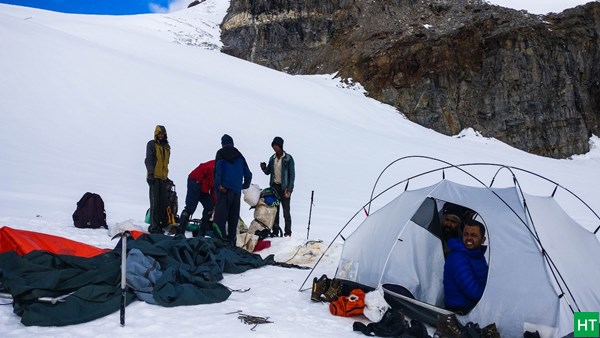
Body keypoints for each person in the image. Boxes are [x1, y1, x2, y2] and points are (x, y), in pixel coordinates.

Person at [443, 219, 489, 314]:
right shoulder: (457, 257)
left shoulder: (478, 255)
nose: (468, 238)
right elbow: (473, 291)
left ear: (483, 240)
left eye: (473, 235)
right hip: (459, 311)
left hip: (473, 307)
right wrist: (493, 295)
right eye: (466, 234)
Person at [213, 134, 252, 245]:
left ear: (222, 143)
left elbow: (218, 170)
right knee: (233, 219)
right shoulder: (239, 155)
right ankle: (231, 242)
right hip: (236, 193)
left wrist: (218, 185)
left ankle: (218, 243)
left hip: (224, 190)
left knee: (220, 219)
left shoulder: (220, 153)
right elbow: (248, 174)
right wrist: (243, 185)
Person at [260, 136, 295, 237]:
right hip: (274, 188)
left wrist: (290, 188)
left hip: (285, 188)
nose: (274, 148)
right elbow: (268, 172)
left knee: (286, 211)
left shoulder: (288, 159)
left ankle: (288, 232)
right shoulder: (272, 158)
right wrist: (264, 168)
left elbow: (292, 175)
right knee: (275, 210)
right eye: (273, 146)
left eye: (276, 146)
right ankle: (275, 231)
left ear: (280, 146)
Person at [178, 160, 216, 236]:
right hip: (195, 181)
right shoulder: (214, 166)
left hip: (203, 186)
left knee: (209, 205)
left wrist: (215, 204)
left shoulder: (221, 173)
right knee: (190, 207)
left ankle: (201, 234)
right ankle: (180, 233)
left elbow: (213, 189)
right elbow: (202, 167)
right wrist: (199, 180)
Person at [144, 125, 171, 234]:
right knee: (155, 202)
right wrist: (150, 173)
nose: (161, 135)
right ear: (156, 134)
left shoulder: (167, 146)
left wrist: (166, 177)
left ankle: (161, 223)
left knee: (163, 202)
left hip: (163, 178)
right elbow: (148, 159)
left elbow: (165, 163)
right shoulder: (151, 144)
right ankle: (154, 226)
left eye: (162, 134)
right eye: (159, 133)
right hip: (154, 177)